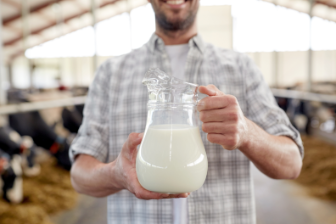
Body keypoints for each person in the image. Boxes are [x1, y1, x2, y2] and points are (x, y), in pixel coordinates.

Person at [69, 0, 304, 223]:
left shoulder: (242, 67)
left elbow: (292, 164)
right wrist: (115, 173)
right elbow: (79, 175)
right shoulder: (110, 74)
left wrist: (247, 133)